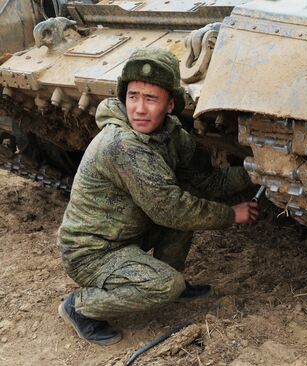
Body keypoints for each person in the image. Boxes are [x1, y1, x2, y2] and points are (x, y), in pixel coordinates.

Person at [56, 47, 259, 346]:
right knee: (167, 283)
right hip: (91, 252)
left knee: (186, 199)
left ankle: (166, 280)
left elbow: (207, 181)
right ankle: (80, 306)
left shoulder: (172, 134)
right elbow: (171, 210)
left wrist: (257, 170)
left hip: (127, 233)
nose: (139, 108)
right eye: (133, 97)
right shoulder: (121, 145)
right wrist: (232, 215)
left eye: (151, 99)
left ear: (170, 104)